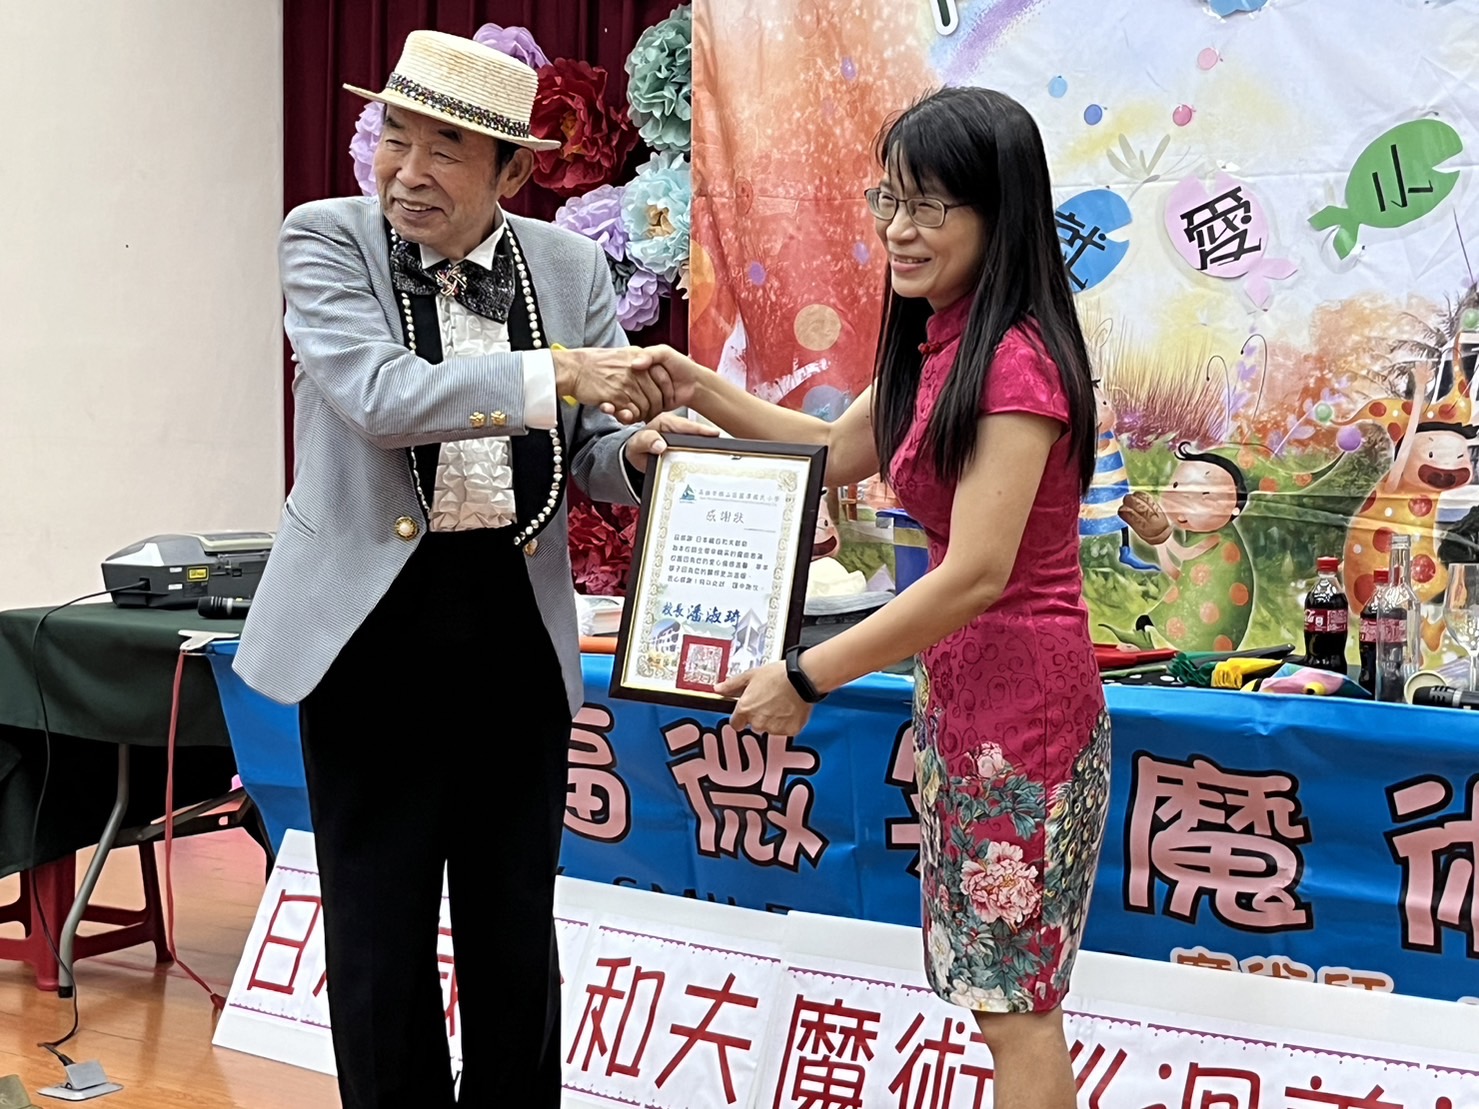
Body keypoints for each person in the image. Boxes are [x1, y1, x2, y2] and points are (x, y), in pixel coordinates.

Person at [233, 31, 700, 1109]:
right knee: (378, 929)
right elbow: (380, 396)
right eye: (395, 136)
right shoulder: (326, 239)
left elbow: (585, 451)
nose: (408, 171)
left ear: (513, 171)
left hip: (513, 630)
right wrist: (559, 372)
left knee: (513, 925)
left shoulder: (569, 266)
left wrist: (637, 452)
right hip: (369, 630)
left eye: (446, 149)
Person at [639, 86, 1108, 1109]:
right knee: (996, 995)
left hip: (1023, 715)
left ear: (999, 213)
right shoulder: (939, 341)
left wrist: (807, 672)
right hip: (961, 702)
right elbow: (820, 446)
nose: (900, 228)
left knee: (1015, 1005)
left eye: (930, 205)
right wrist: (690, 379)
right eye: (889, 199)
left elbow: (976, 572)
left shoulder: (1016, 361)